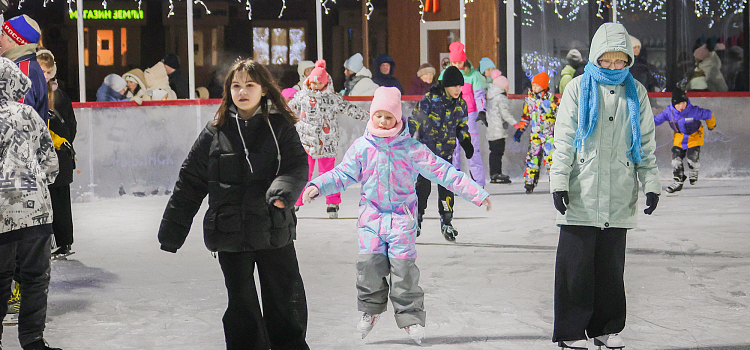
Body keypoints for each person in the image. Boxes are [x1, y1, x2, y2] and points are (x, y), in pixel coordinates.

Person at [301, 87, 491, 345]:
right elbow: (342, 174)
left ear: (398, 118)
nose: (382, 120)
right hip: (371, 218)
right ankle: (370, 310)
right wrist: (317, 185)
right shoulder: (362, 148)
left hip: (402, 218)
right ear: (372, 115)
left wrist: (476, 193)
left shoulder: (411, 148)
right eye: (378, 115)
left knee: (403, 270)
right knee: (368, 266)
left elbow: (443, 171)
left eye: (388, 116)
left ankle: (410, 317)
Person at [158, 59, 310, 350]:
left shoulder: (280, 127)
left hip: (273, 228)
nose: (242, 91)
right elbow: (190, 181)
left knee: (284, 301)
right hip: (230, 232)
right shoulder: (215, 131)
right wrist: (172, 231)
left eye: (249, 85)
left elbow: (296, 166)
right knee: (241, 306)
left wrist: (283, 189)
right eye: (236, 85)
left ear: (263, 89)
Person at [550, 23, 661, 350]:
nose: (614, 67)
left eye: (620, 62)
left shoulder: (636, 92)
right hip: (581, 190)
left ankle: (606, 328)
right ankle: (571, 331)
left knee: (611, 269)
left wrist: (651, 184)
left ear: (628, 61)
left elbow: (646, 145)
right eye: (606, 61)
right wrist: (559, 181)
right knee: (576, 268)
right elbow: (564, 140)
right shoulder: (577, 88)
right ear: (595, 58)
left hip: (619, 191)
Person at [0, 57, 62, 350]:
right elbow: (51, 163)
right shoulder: (29, 114)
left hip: (1, 213)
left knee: (0, 278)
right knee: (36, 278)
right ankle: (33, 340)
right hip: (36, 211)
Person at [287, 60, 368, 218]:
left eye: (319, 83)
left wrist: (368, 116)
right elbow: (288, 109)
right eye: (313, 82)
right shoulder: (302, 97)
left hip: (327, 144)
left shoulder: (332, 98)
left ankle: (332, 202)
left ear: (325, 83)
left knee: (329, 174)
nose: (315, 85)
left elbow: (349, 109)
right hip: (306, 143)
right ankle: (297, 201)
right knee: (304, 172)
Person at [408, 66, 473, 242]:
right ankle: (416, 221)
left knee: (447, 188)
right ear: (445, 86)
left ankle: (447, 222)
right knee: (423, 188)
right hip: (426, 154)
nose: (458, 90)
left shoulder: (461, 104)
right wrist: (404, 137)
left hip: (446, 153)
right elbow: (415, 118)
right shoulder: (430, 99)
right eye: (454, 86)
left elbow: (462, 126)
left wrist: (466, 141)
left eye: (460, 86)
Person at [36, 50, 77, 259]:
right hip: (50, 161)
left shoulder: (58, 97)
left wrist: (62, 147)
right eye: (42, 71)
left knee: (59, 202)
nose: (45, 75)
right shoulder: (39, 95)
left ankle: (63, 242)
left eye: (48, 71)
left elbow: (71, 127)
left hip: (58, 161)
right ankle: (58, 242)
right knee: (51, 202)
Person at [439, 42, 487, 186]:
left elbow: (479, 94)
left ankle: (478, 182)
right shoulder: (444, 74)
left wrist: (482, 110)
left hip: (469, 115)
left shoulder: (473, 75)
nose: (457, 65)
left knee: (472, 148)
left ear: (464, 60)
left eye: (459, 62)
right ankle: (454, 182)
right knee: (452, 149)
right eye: (454, 62)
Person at [654, 88, 715, 193]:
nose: (681, 106)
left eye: (683, 103)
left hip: (695, 137)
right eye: (678, 104)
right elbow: (656, 120)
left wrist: (711, 126)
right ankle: (678, 181)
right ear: (674, 104)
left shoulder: (694, 111)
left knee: (692, 157)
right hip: (679, 138)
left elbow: (708, 114)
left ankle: (694, 169)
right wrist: (644, 125)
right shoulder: (669, 112)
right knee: (676, 160)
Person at [513, 72, 558, 194]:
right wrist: (520, 130)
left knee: (551, 159)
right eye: (533, 85)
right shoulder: (530, 101)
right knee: (532, 158)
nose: (534, 88)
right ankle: (529, 182)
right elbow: (525, 116)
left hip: (549, 136)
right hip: (535, 135)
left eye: (537, 85)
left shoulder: (552, 100)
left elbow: (559, 116)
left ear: (544, 86)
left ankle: (556, 182)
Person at [0, 15, 47, 122]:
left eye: (3, 34)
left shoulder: (22, 72)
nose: (0, 39)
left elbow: (17, 121)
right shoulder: (27, 67)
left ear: (15, 42)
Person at [486, 70, 517, 184]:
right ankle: (496, 173)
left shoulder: (491, 97)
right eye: (507, 86)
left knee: (494, 152)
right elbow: (505, 113)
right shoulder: (501, 98)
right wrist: (515, 123)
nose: (508, 88)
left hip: (491, 130)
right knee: (497, 153)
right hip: (498, 130)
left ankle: (494, 173)